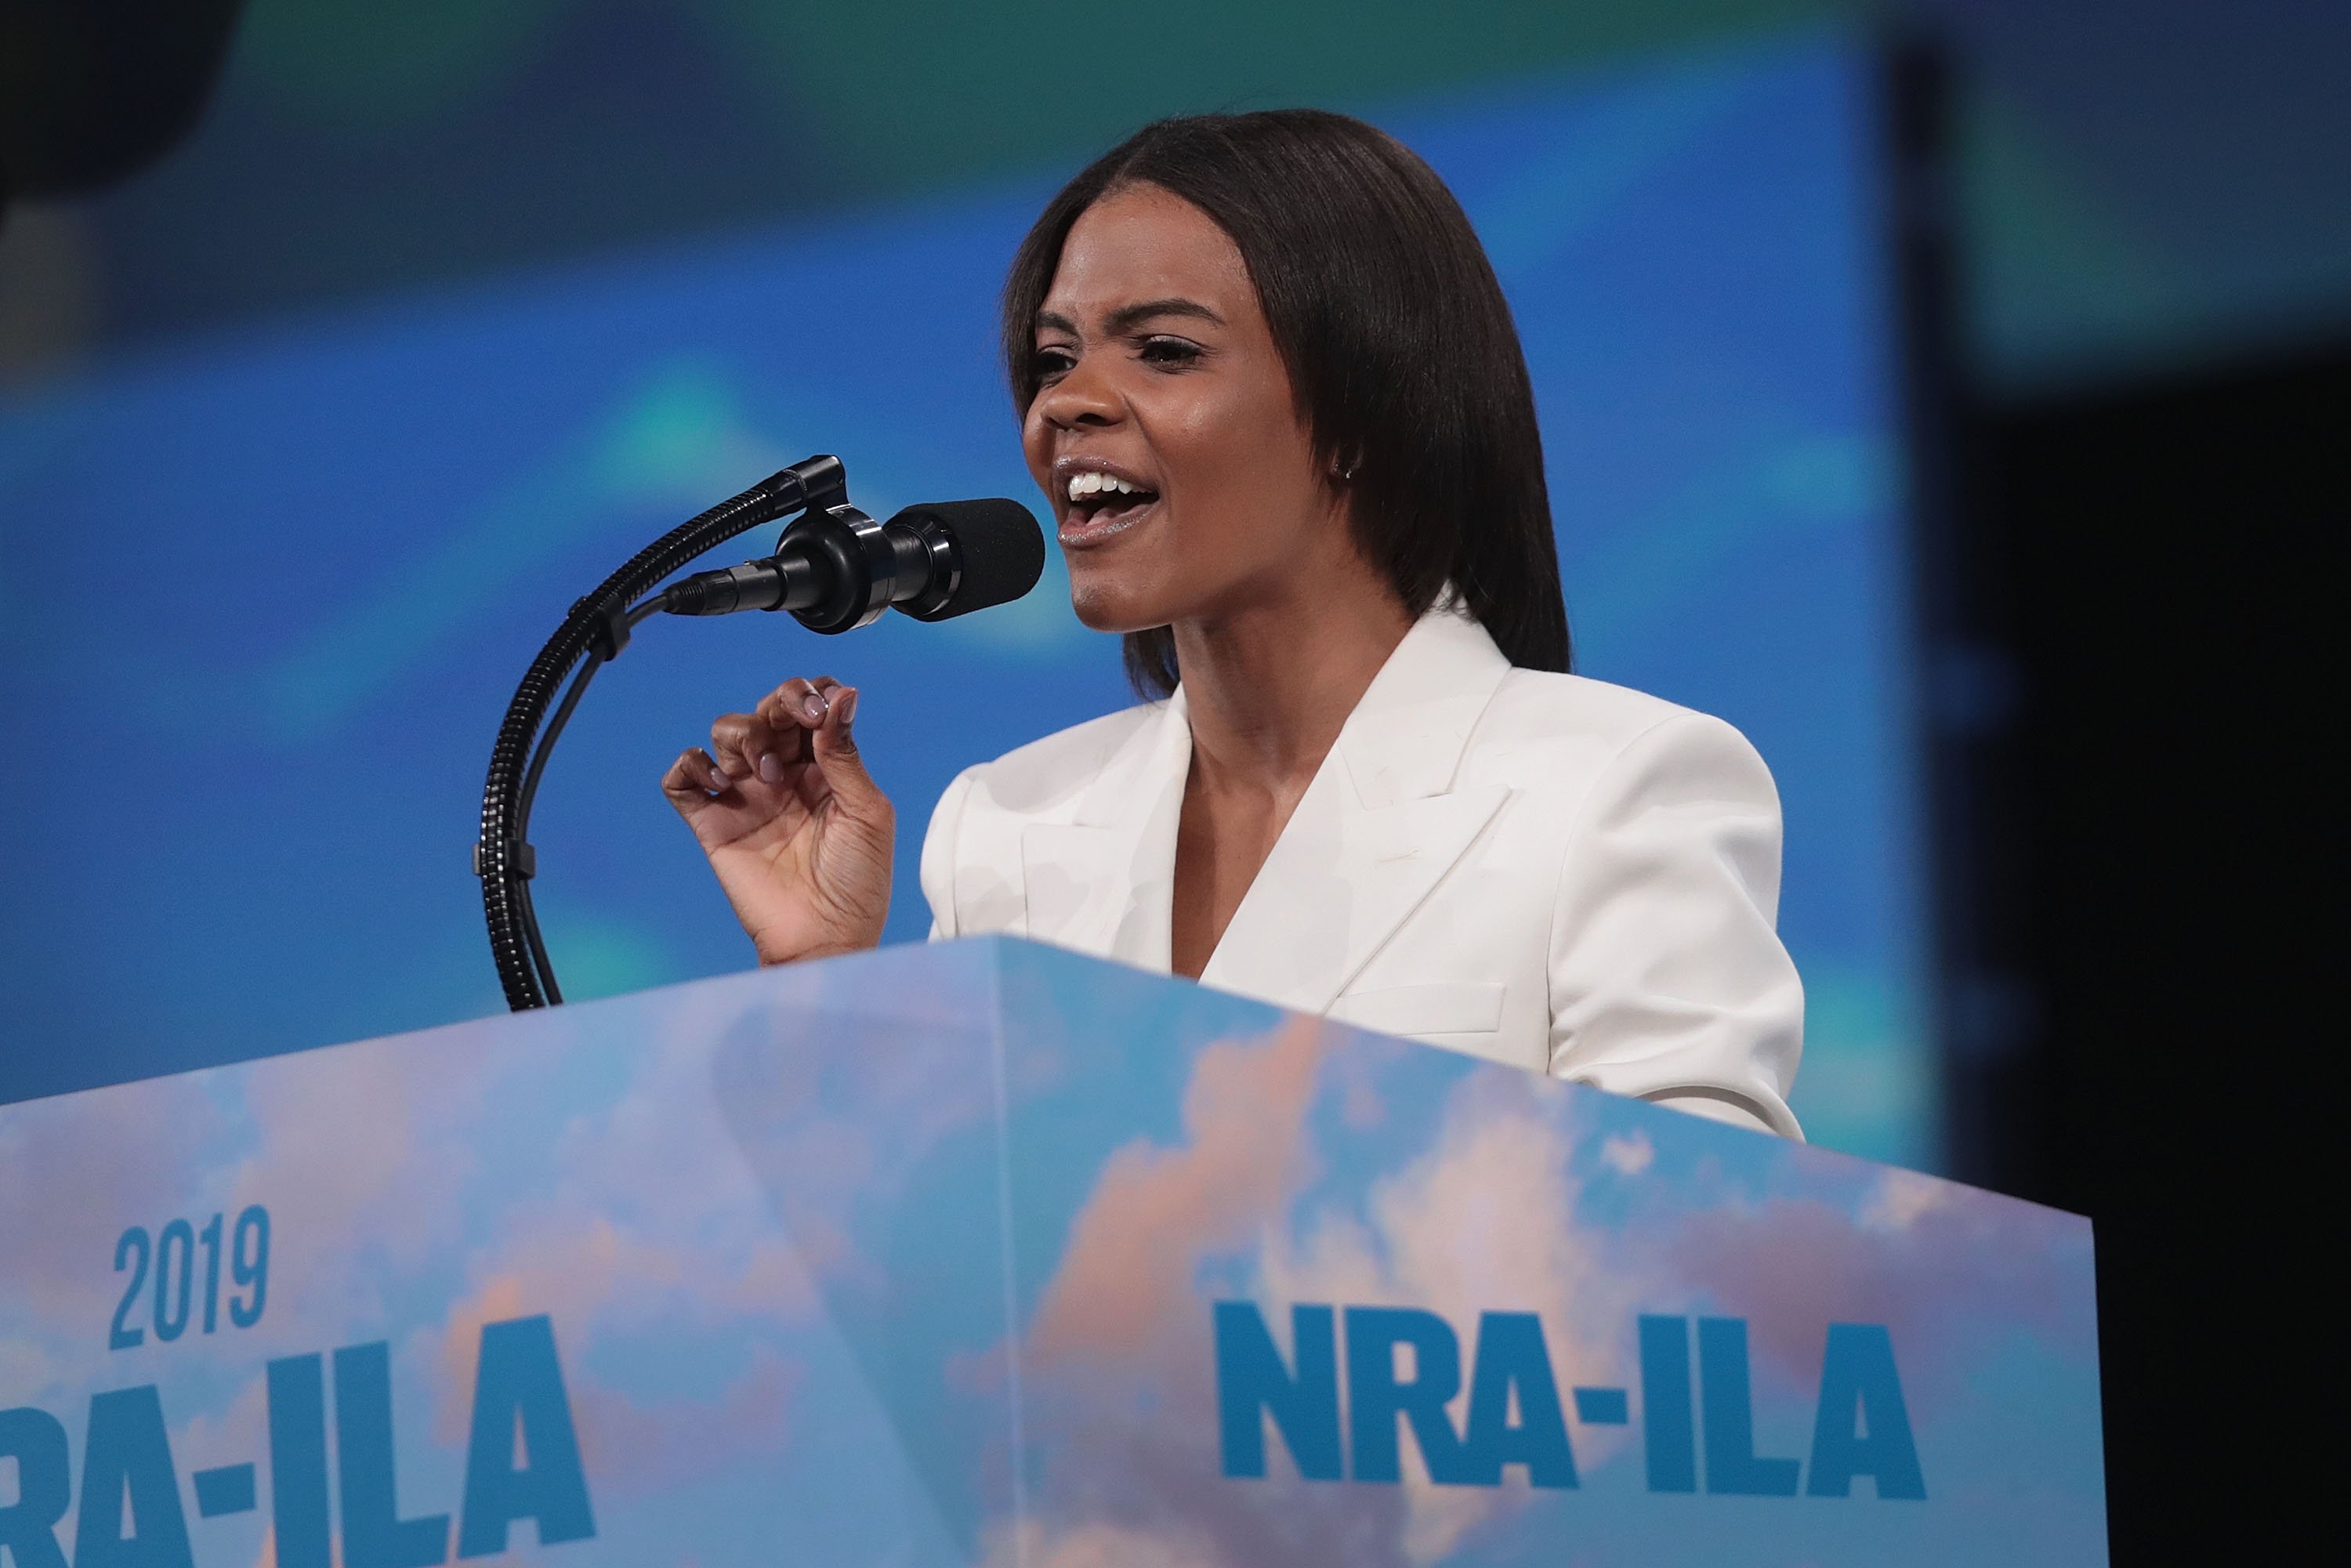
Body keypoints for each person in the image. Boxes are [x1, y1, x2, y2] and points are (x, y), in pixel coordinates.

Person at [661, 110, 1803, 1138]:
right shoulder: (1006, 827)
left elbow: (1714, 1268)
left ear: (1360, 411)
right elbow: (938, 1288)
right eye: (1055, 357)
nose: (1066, 402)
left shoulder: (1617, 788)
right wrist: (822, 984)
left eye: (1164, 350)